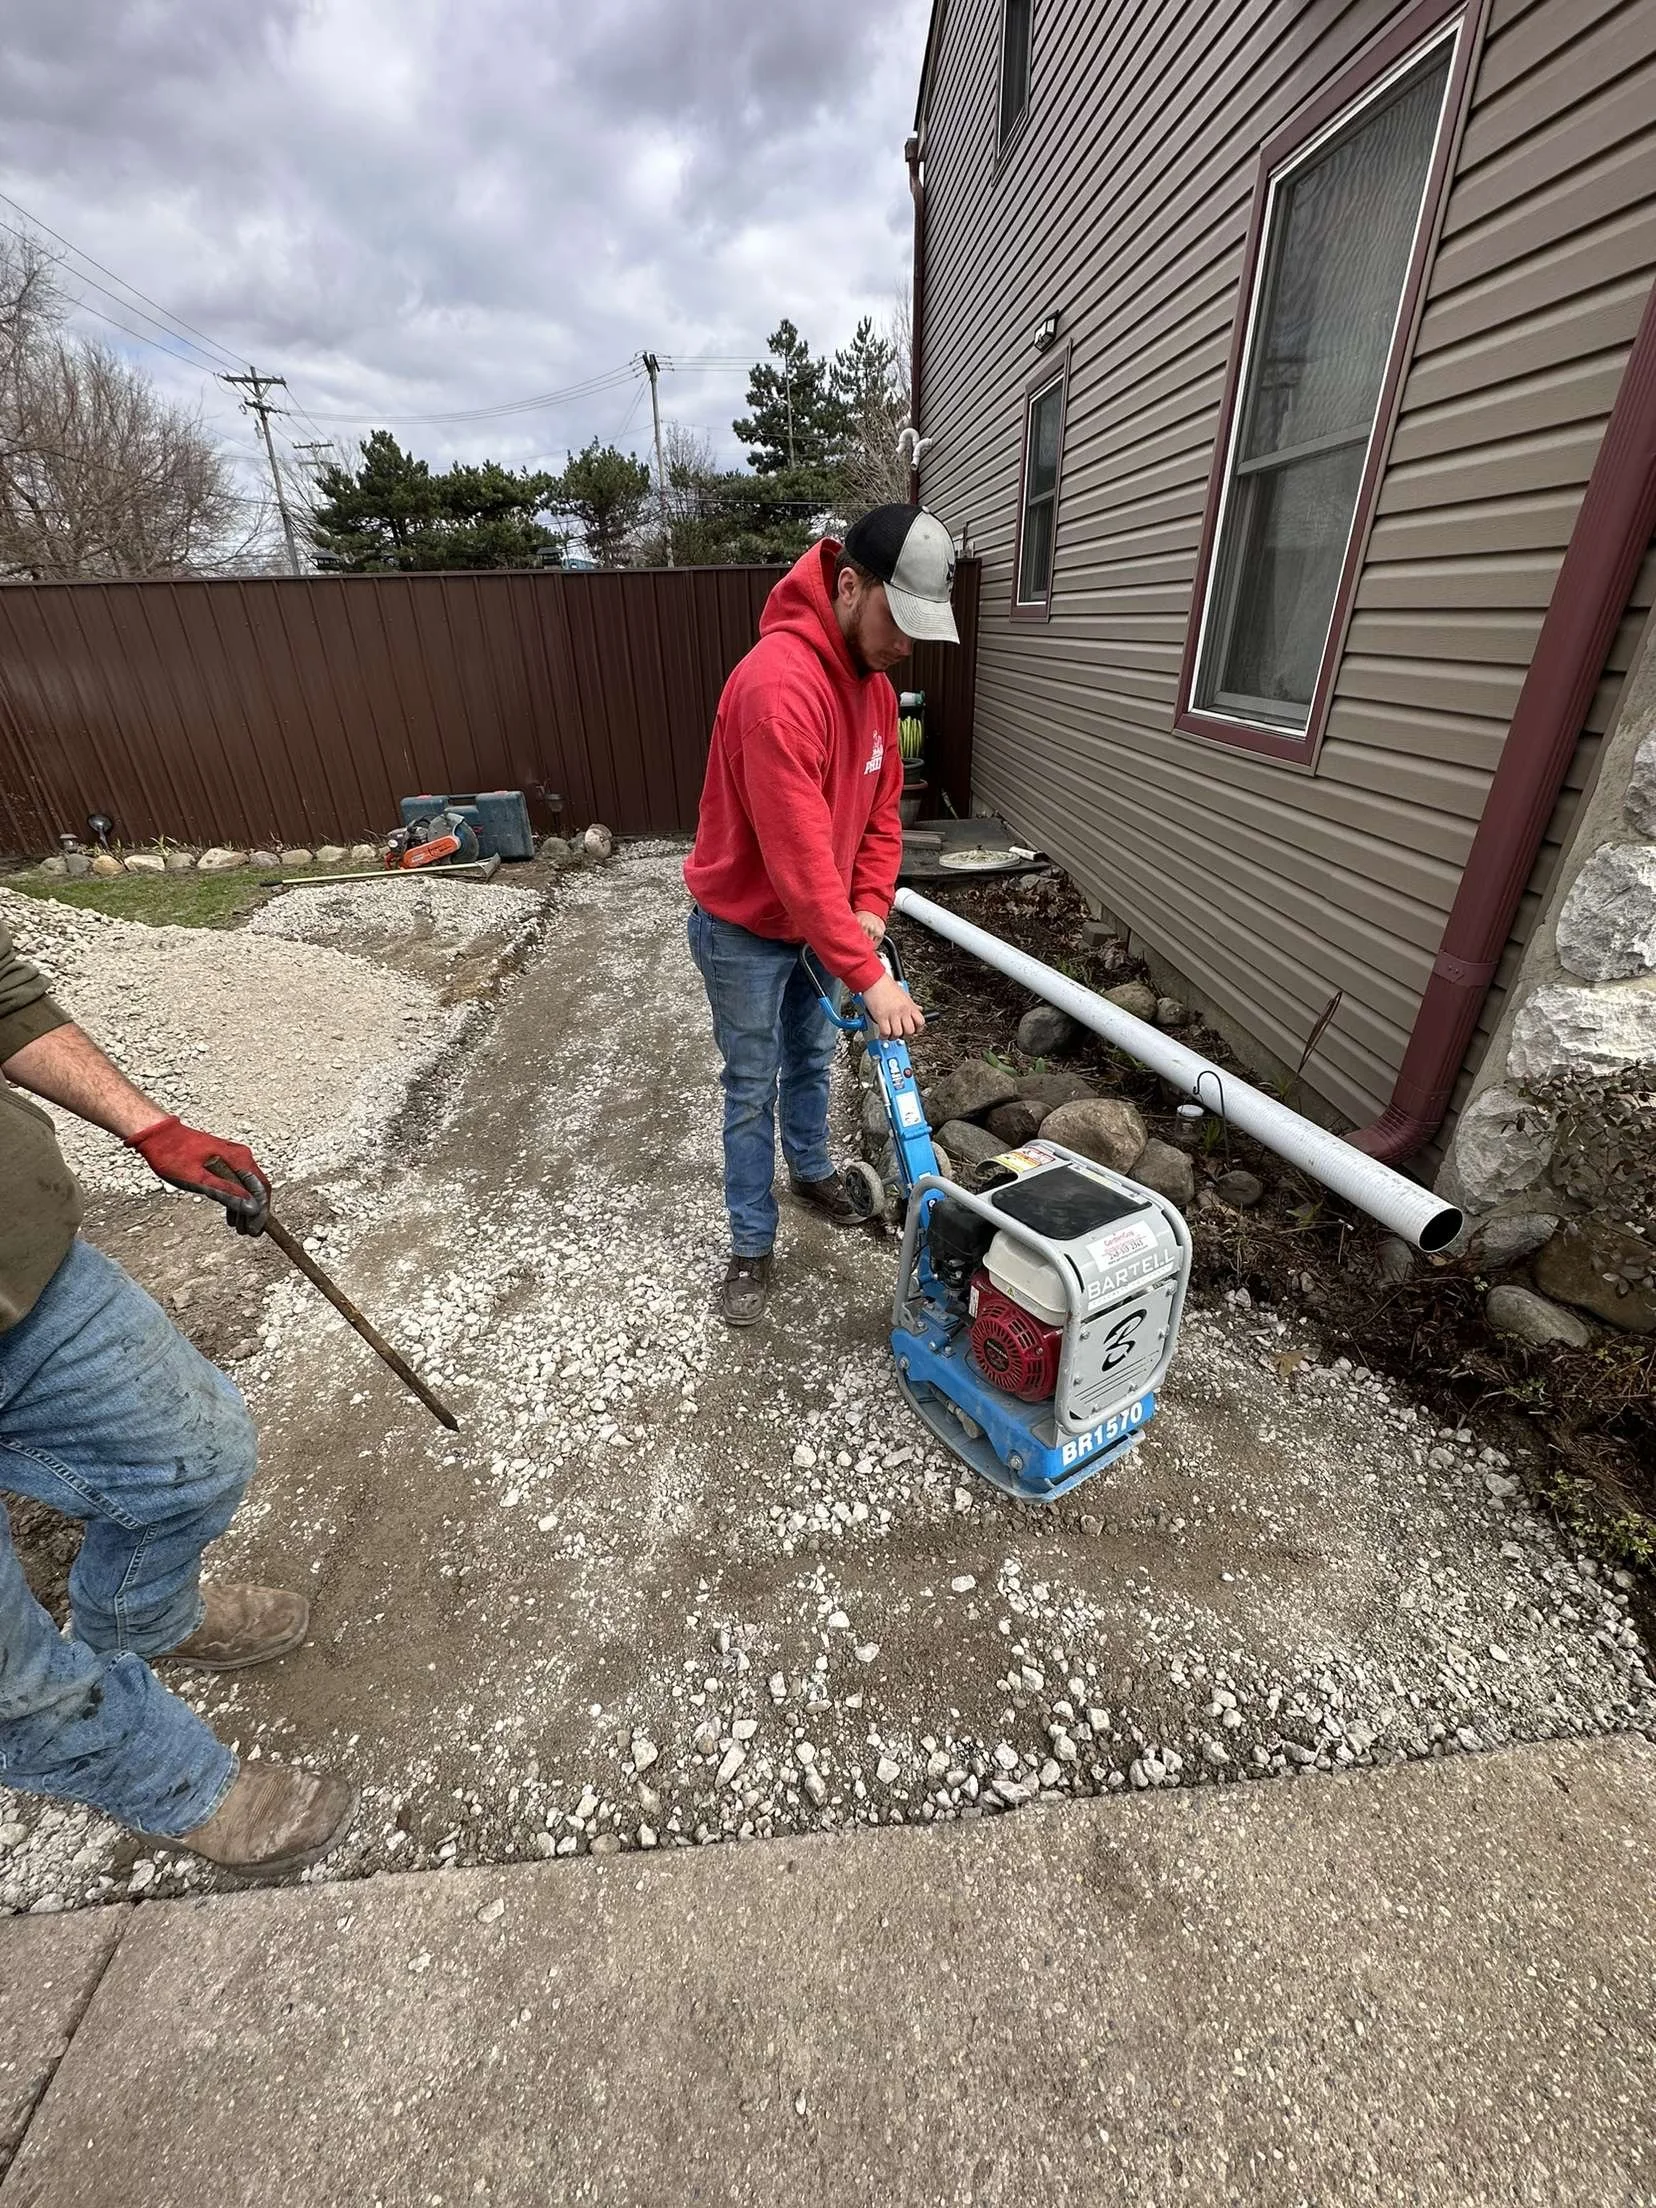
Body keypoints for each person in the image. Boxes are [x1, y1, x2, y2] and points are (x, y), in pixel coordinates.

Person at [0, 910, 356, 1878]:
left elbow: (2, 991)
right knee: (10, 1669)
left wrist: (150, 1125)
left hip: (22, 1271)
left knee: (193, 1455)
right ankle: (178, 1787)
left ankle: (145, 1620)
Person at [685, 501, 960, 1326]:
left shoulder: (874, 689)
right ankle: (750, 1244)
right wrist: (870, 976)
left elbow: (881, 816)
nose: (906, 646)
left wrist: (869, 907)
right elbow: (801, 869)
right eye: (897, 620)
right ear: (848, 586)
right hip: (744, 929)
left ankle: (809, 1174)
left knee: (810, 1064)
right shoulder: (778, 688)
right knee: (750, 1084)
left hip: (818, 930)